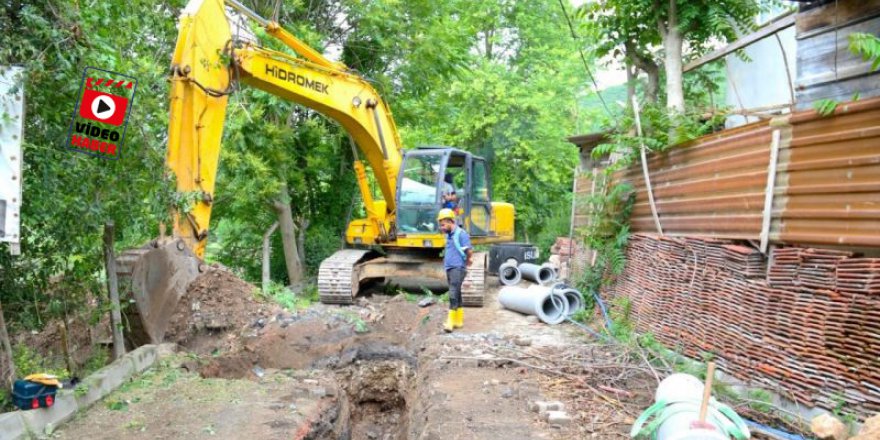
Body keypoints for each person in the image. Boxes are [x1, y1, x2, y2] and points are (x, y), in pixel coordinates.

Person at [437, 208, 472, 332]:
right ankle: (458, 320)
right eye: (440, 224)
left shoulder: (461, 234)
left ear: (451, 221)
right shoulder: (449, 235)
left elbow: (469, 250)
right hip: (450, 268)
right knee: (457, 293)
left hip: (458, 268)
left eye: (443, 224)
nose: (441, 227)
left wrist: (468, 261)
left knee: (452, 293)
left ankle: (450, 322)